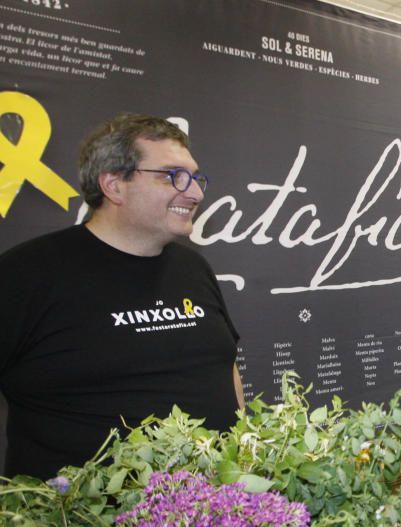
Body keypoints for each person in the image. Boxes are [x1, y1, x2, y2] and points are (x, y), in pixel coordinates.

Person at [0, 113, 244, 480]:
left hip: (212, 516)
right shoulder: (25, 274)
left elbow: (225, 367)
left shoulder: (193, 269)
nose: (194, 192)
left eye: (195, 178)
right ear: (114, 185)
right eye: (172, 175)